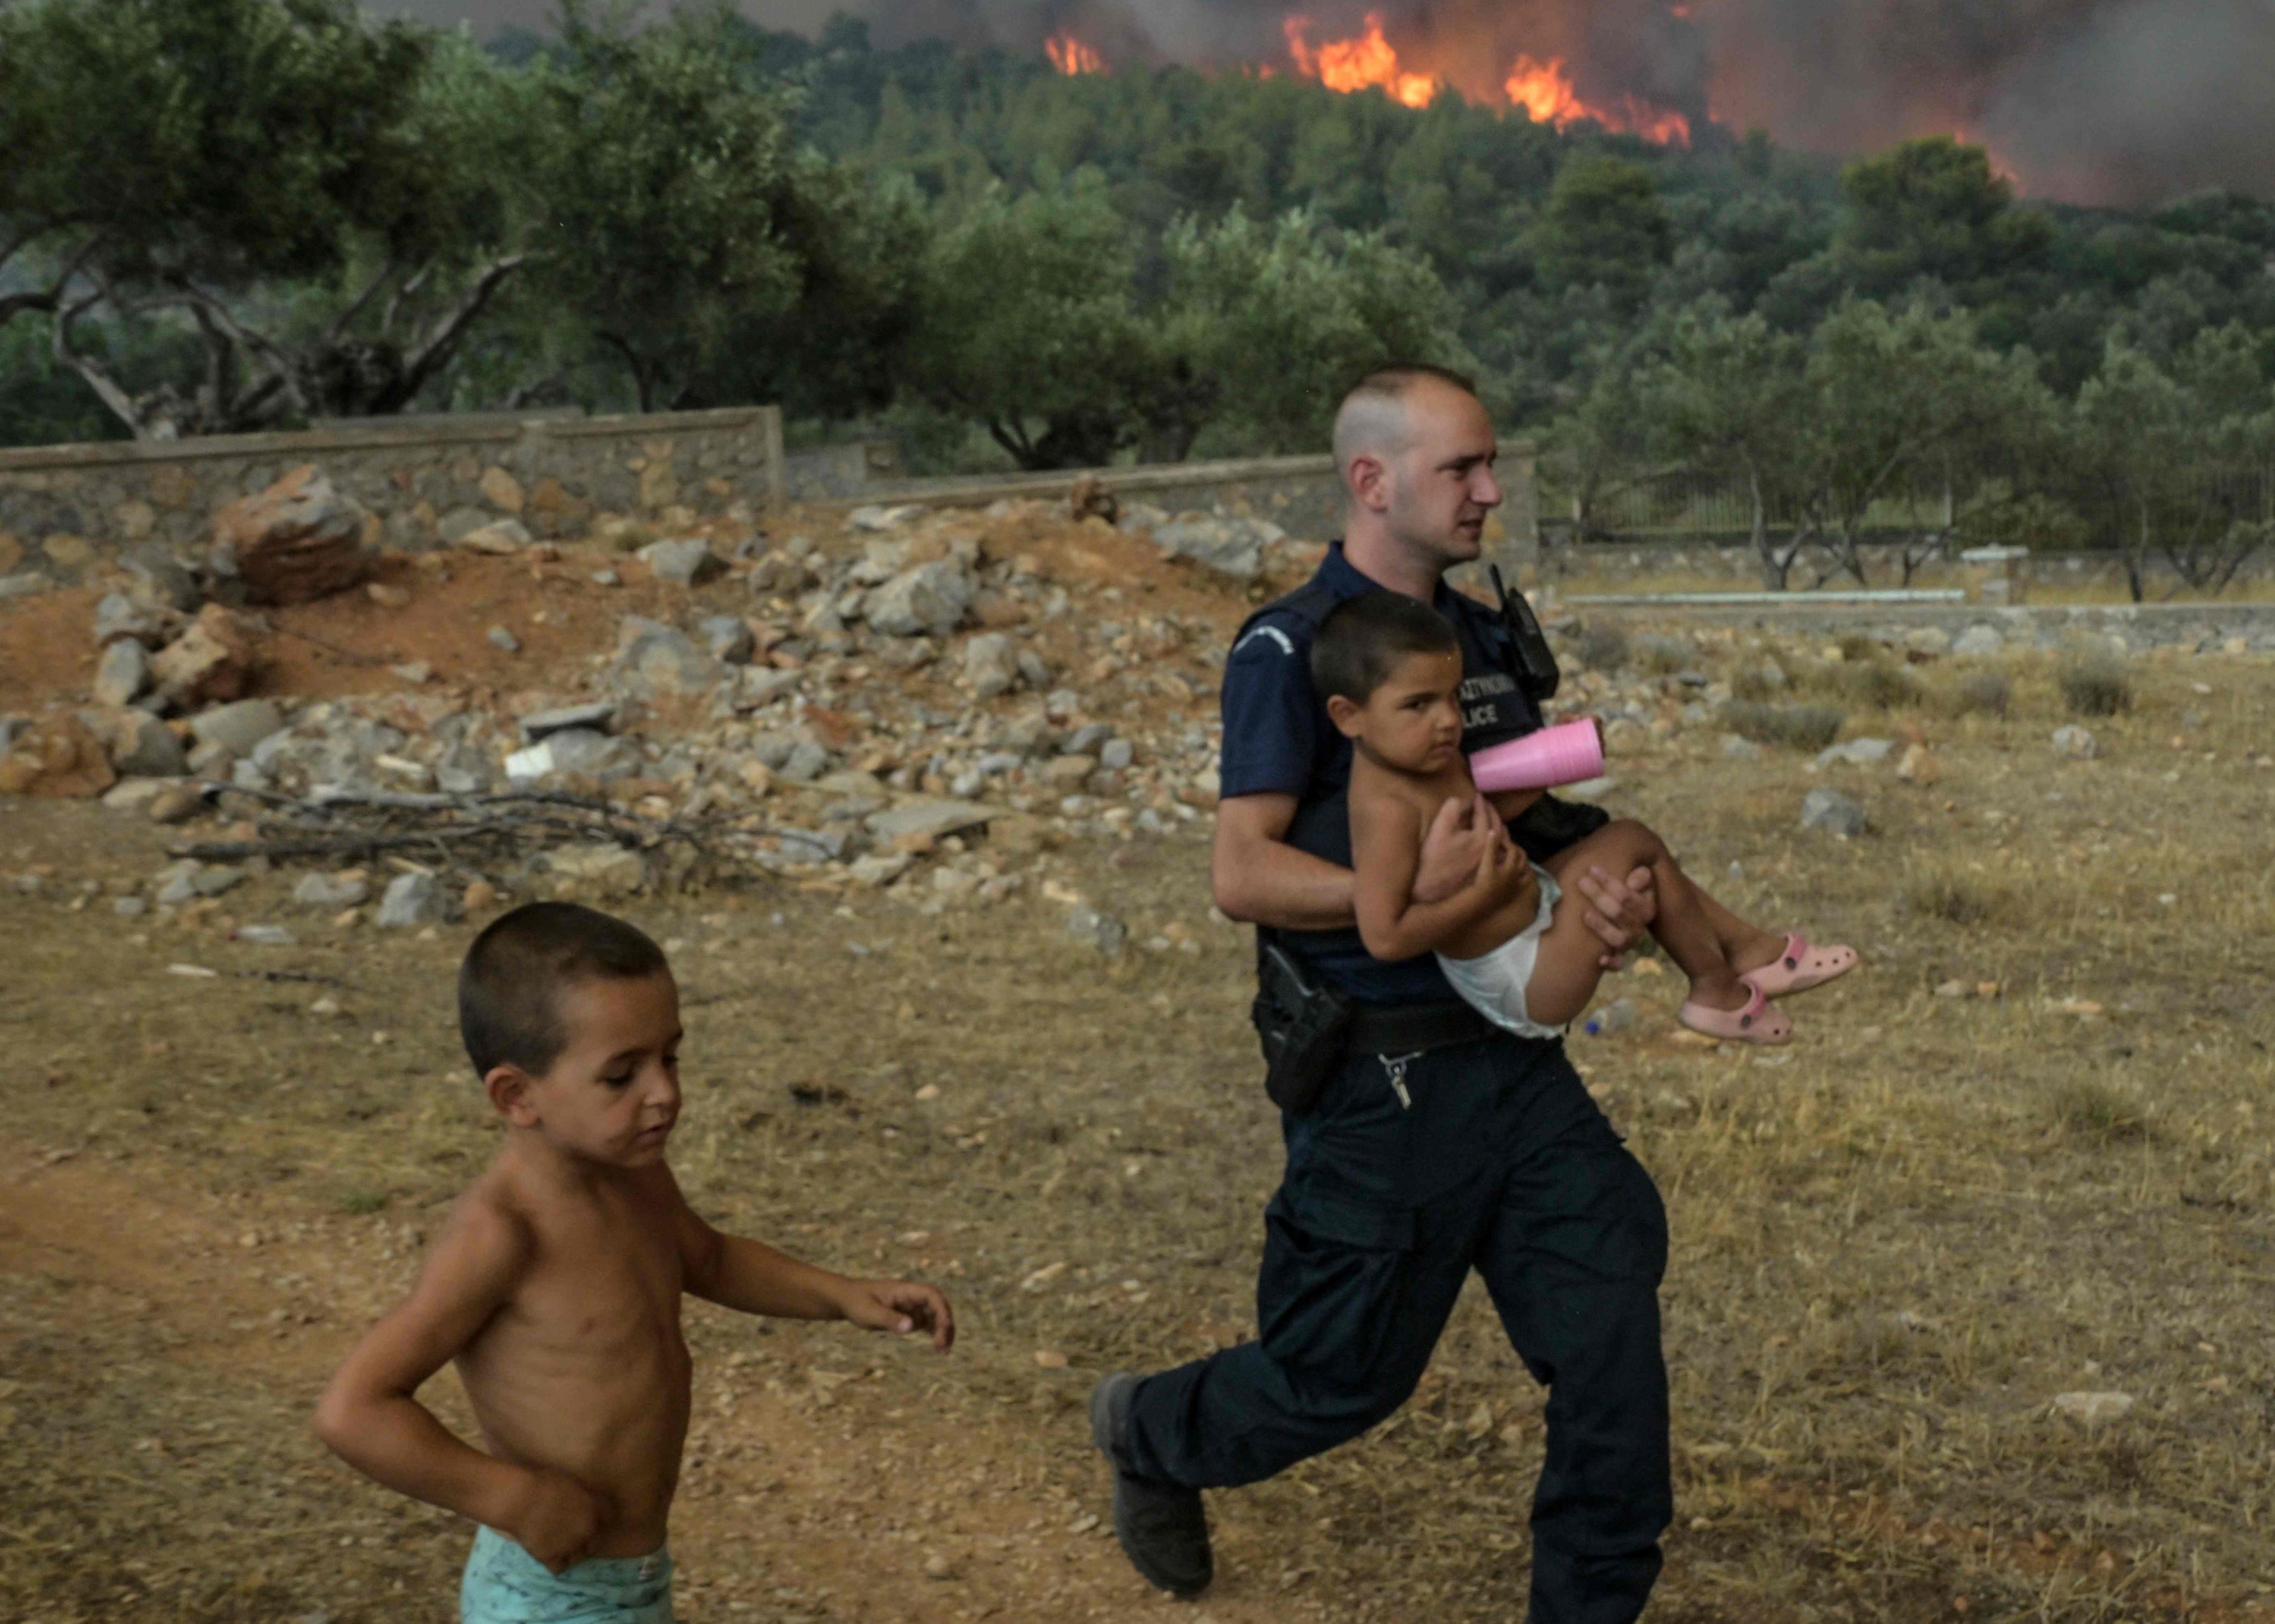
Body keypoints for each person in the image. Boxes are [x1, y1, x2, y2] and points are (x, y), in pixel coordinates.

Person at [1089, 363, 1827, 1623]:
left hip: (1514, 1066)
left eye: (1492, 465)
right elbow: (1241, 871)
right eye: (1463, 470)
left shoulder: (1479, 636)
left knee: (1609, 1348)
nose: (1492, 491)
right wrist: (1404, 884)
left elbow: (1520, 832)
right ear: (1372, 482)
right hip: (1380, 1081)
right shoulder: (1292, 647)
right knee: (1338, 1380)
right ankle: (1153, 1431)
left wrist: (1597, 901)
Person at [313, 902, 956, 1624]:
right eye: (622, 1075)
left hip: (635, 1576)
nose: (666, 1094)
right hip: (548, 1590)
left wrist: (843, 1296)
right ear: (517, 1096)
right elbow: (354, 1410)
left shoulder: (635, 1173)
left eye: (670, 1057)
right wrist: (509, 1497)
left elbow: (708, 1258)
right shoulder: (502, 1233)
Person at [1322, 590, 1856, 1041]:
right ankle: (1719, 986)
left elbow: (1481, 810)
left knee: (1635, 857)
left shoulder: (1422, 759)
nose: (1446, 721)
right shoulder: (1384, 807)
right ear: (1348, 716)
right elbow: (1384, 936)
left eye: (1452, 699)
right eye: (1418, 705)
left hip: (1531, 926)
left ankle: (1740, 957)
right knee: (1631, 840)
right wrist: (1479, 897)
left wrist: (1564, 756)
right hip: (1521, 973)